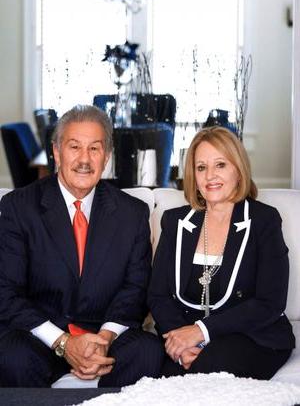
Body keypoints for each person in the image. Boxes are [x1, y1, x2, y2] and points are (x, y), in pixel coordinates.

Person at [0, 105, 163, 387]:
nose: (84, 159)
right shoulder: (18, 207)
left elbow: (135, 289)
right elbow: (6, 291)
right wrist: (63, 342)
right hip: (40, 335)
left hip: (104, 337)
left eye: (95, 149)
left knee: (148, 352)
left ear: (107, 156)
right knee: (11, 356)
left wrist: (104, 338)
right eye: (74, 147)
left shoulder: (133, 213)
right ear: (56, 152)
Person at [148, 126, 295, 379]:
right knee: (158, 366)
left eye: (220, 165)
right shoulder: (175, 222)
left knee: (210, 365)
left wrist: (200, 332)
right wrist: (180, 341)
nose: (210, 176)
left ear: (238, 170)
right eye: (201, 167)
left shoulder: (264, 221)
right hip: (187, 337)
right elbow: (158, 295)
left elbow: (269, 302)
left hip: (252, 337)